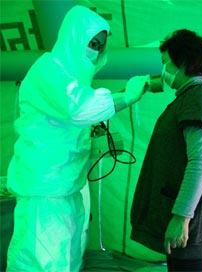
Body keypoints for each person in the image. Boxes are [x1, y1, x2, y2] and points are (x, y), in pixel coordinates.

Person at [6, 5, 148, 272]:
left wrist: (124, 99)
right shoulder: (49, 71)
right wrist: (127, 97)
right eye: (91, 42)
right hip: (44, 194)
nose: (94, 50)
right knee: (41, 264)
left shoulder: (69, 79)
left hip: (67, 189)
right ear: (73, 36)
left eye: (99, 45)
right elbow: (80, 109)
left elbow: (80, 108)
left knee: (67, 263)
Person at [130, 29, 202, 272]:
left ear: (184, 63)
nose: (162, 71)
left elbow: (200, 162)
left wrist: (182, 217)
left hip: (188, 221)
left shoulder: (197, 96)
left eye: (165, 63)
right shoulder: (188, 96)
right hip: (181, 214)